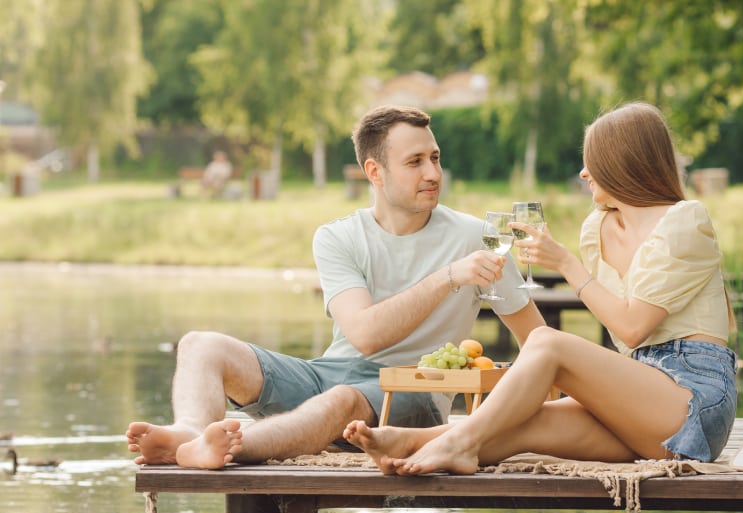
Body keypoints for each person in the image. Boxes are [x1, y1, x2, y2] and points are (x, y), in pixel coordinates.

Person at [126, 105, 544, 469]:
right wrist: (449, 276)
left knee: (341, 400)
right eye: (415, 161)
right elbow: (363, 335)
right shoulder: (337, 237)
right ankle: (188, 434)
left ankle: (224, 449)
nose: (433, 173)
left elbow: (538, 342)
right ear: (374, 172)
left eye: (434, 158)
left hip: (412, 394)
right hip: (329, 373)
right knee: (201, 343)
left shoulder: (478, 237)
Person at [342, 102, 738, 476]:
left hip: (694, 406)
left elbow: (633, 327)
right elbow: (624, 340)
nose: (583, 173)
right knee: (523, 424)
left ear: (624, 163)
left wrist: (566, 264)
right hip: (641, 402)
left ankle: (455, 443)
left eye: (592, 160)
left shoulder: (686, 222)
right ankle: (408, 441)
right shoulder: (597, 228)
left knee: (546, 342)